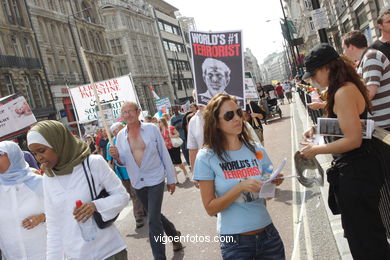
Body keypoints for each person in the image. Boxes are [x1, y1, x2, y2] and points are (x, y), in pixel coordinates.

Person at [299, 43, 390, 259]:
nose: (313, 80)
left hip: (358, 170)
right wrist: (318, 127)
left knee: (365, 237)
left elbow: (353, 139)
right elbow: (351, 124)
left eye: (314, 74)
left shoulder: (343, 92)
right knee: (366, 232)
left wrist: (316, 150)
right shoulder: (346, 87)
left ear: (326, 68)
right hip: (361, 167)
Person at [193, 93, 285, 259]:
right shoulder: (206, 157)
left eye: (238, 112)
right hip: (235, 243)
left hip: (269, 236)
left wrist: (273, 182)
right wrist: (240, 187)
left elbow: (268, 197)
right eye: (229, 115)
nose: (237, 118)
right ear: (216, 123)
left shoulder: (256, 148)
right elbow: (210, 208)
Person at [27, 120, 129, 260]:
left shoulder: (93, 163)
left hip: (109, 252)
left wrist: (95, 206)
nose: (39, 158)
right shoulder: (48, 178)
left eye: (42, 151)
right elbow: (54, 227)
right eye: (34, 153)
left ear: (58, 143)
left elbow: (122, 197)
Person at [109, 101, 183, 259]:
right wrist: (116, 157)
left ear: (138, 112)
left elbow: (164, 153)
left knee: (153, 221)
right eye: (124, 112)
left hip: (155, 179)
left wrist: (171, 178)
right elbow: (123, 161)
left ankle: (159, 257)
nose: (127, 115)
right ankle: (174, 236)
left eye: (130, 111)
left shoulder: (151, 129)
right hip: (138, 183)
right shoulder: (120, 137)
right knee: (155, 215)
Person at [0, 141, 46, 260]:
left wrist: (41, 217)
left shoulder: (40, 183)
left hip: (43, 252)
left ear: (13, 155)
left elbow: (61, 211)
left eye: (0, 154)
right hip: (12, 255)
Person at [342, 30, 390, 130]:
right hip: (379, 123)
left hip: (384, 125)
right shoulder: (365, 59)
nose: (344, 52)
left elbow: (369, 92)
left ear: (351, 46)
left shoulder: (371, 57)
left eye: (344, 48)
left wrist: (347, 105)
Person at [106, 122, 145, 229]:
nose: (123, 129)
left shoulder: (127, 139)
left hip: (133, 171)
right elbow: (110, 161)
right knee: (132, 195)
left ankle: (138, 217)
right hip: (122, 174)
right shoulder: (110, 144)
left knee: (135, 193)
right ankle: (143, 209)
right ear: (114, 132)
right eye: (120, 128)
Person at [159, 117, 189, 183]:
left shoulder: (170, 128)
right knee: (171, 164)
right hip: (167, 149)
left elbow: (178, 134)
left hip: (174, 147)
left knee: (179, 163)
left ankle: (185, 171)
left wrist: (171, 136)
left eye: (159, 122)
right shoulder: (159, 131)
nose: (158, 123)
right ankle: (176, 179)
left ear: (163, 122)